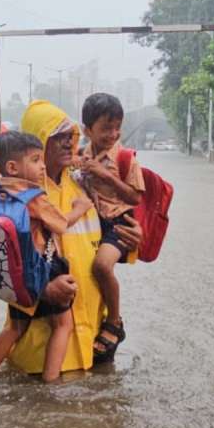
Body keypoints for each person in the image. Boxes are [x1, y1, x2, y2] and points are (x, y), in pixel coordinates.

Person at [6, 100, 142, 374]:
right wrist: (42, 289)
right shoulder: (18, 194)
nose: (69, 143)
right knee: (43, 399)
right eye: (59, 136)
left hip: (96, 338)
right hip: (42, 351)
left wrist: (137, 236)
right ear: (38, 142)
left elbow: (109, 231)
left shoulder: (83, 183)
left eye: (71, 136)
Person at [0, 131, 93, 382]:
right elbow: (61, 224)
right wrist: (80, 208)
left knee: (16, 327)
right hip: (43, 267)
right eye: (35, 160)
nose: (42, 166)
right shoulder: (33, 197)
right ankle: (50, 381)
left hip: (13, 271)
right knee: (62, 325)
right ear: (12, 167)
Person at [78, 93, 145, 362]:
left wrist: (106, 175)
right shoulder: (81, 155)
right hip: (92, 222)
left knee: (102, 267)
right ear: (87, 130)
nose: (113, 134)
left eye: (117, 127)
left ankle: (114, 322)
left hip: (118, 222)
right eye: (106, 128)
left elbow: (135, 198)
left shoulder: (126, 157)